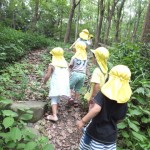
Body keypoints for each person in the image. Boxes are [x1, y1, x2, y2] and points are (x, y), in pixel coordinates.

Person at [76, 65, 132, 150]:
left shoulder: (103, 93)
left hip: (94, 133)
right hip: (110, 137)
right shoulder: (123, 99)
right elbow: (120, 119)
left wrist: (83, 121)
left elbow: (96, 109)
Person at [42, 47, 70, 121]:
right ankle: (56, 110)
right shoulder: (66, 64)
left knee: (54, 98)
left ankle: (54, 116)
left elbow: (47, 76)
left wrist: (44, 82)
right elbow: (68, 73)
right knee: (57, 97)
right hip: (64, 84)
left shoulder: (52, 65)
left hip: (56, 83)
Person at [68, 41, 88, 107]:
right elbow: (86, 67)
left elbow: (70, 65)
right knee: (78, 89)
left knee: (70, 87)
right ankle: (76, 101)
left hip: (75, 73)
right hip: (83, 75)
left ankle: (70, 98)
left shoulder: (74, 57)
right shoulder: (85, 58)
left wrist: (69, 68)